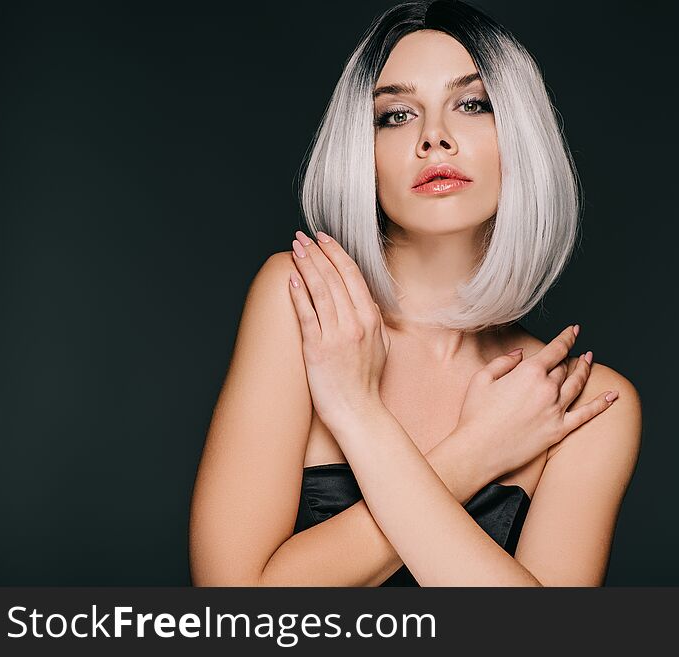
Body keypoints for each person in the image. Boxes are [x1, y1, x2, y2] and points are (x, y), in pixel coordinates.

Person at [189, 0, 641, 587]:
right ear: (363, 152)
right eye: (396, 115)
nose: (434, 138)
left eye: (474, 105)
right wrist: (470, 455)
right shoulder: (304, 300)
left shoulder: (585, 404)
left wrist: (356, 410)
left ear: (522, 139)